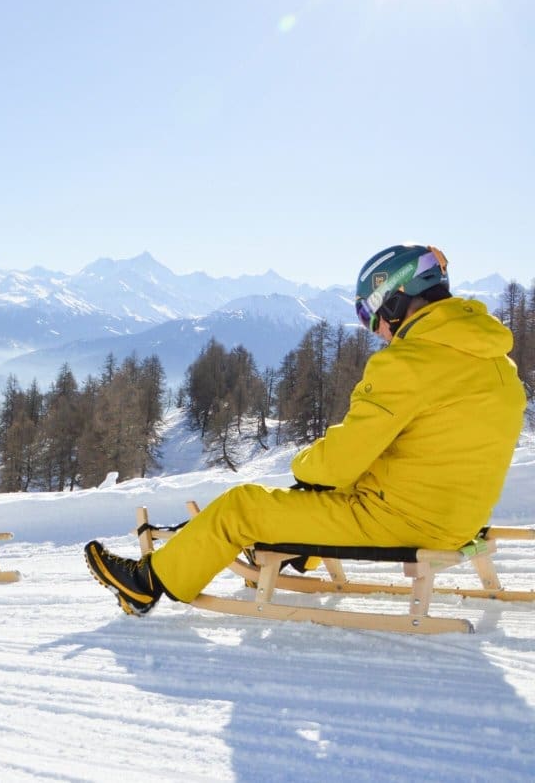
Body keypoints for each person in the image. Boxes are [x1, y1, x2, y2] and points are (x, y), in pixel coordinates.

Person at [85, 244, 528, 616]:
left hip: (401, 523)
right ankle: (301, 548)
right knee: (329, 491)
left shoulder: (409, 364)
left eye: (373, 317)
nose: (378, 333)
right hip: (459, 521)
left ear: (394, 299)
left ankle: (146, 583)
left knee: (242, 507)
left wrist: (304, 463)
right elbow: (424, 452)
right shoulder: (499, 366)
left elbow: (336, 464)